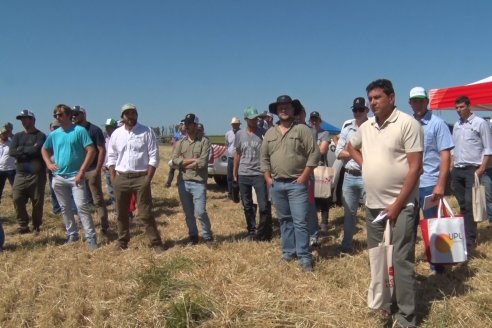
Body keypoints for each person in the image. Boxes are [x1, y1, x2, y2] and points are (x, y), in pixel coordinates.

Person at [347, 79, 423, 327]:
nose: (372, 103)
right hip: (373, 206)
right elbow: (350, 145)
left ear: (392, 98)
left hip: (402, 206)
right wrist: (366, 164)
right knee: (379, 258)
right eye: (370, 99)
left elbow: (415, 168)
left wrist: (398, 205)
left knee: (401, 260)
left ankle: (406, 317)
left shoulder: (407, 124)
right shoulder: (367, 126)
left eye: (377, 98)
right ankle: (385, 304)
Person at [261, 95, 320, 272]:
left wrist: (304, 177)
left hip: (297, 184)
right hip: (277, 184)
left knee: (300, 221)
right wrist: (268, 178)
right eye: (281, 107)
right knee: (284, 221)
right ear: (277, 111)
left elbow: (314, 154)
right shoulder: (270, 133)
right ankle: (288, 252)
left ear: (293, 109)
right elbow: (263, 158)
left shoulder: (302, 129)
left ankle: (304, 257)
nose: (284, 109)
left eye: (287, 107)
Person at [409, 86, 454, 274]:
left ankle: (437, 265)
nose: (418, 104)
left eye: (421, 100)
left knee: (433, 225)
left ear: (427, 101)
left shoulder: (437, 124)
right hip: (411, 184)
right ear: (410, 103)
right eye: (415, 101)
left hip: (430, 184)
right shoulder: (408, 124)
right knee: (408, 226)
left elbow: (445, 155)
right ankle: (407, 263)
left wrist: (441, 184)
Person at [107, 103, 165, 251]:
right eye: (127, 114)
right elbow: (111, 156)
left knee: (145, 213)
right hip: (121, 177)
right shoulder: (116, 134)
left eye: (133, 113)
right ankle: (123, 241)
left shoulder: (146, 132)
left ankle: (156, 242)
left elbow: (154, 156)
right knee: (121, 213)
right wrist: (114, 178)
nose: (130, 116)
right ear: (123, 117)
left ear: (137, 114)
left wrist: (148, 179)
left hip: (141, 178)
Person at [41, 104, 98, 250]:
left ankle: (91, 237)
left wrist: (81, 171)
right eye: (55, 116)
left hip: (76, 177)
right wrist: (48, 163)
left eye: (60, 115)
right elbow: (44, 149)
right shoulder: (54, 134)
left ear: (68, 115)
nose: (57, 118)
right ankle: (72, 234)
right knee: (65, 208)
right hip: (59, 177)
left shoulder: (79, 131)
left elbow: (91, 150)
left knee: (81, 206)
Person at [451, 95, 492, 253]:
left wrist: (481, 169)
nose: (459, 110)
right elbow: (454, 147)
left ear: (469, 106)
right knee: (462, 204)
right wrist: (451, 166)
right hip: (458, 169)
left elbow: (488, 148)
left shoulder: (480, 123)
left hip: (472, 169)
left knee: (470, 203)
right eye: (457, 108)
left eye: (461, 107)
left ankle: (470, 239)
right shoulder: (456, 125)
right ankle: (463, 234)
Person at [172, 113, 215, 246]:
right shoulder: (181, 143)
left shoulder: (204, 142)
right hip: (183, 182)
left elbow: (202, 162)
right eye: (186, 123)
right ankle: (193, 236)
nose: (187, 126)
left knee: (201, 212)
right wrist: (191, 161)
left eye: (190, 124)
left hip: (198, 182)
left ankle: (208, 236)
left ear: (196, 125)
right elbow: (174, 160)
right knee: (189, 213)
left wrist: (183, 164)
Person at [335, 98, 369, 254]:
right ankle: (346, 245)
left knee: (372, 212)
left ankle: (374, 246)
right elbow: (338, 153)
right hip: (349, 176)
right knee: (349, 213)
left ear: (366, 111)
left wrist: (349, 152)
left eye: (360, 110)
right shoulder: (347, 127)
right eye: (355, 110)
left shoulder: (372, 127)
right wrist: (356, 152)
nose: (357, 113)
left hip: (367, 175)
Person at [233, 107, 272, 241]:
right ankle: (251, 231)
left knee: (263, 205)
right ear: (246, 120)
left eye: (256, 118)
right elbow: (238, 154)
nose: (255, 121)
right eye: (252, 119)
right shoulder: (239, 134)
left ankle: (264, 232)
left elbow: (268, 152)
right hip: (243, 173)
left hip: (259, 174)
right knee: (247, 205)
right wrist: (235, 173)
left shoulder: (263, 133)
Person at [72, 106, 110, 234]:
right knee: (80, 200)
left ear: (84, 114)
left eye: (77, 114)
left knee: (97, 199)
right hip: (77, 171)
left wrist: (98, 169)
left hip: (92, 169)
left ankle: (104, 224)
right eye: (73, 114)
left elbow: (101, 150)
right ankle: (82, 224)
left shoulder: (94, 130)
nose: (74, 116)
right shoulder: (73, 130)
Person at [9, 110, 47, 235]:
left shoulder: (40, 135)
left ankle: (36, 225)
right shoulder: (17, 136)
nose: (23, 121)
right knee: (17, 198)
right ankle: (23, 224)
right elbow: (12, 152)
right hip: (20, 173)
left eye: (26, 118)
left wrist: (21, 150)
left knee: (37, 201)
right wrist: (27, 150)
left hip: (36, 174)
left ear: (32, 120)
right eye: (22, 119)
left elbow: (36, 151)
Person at [309, 111, 332, 235]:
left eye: (316, 120)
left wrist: (311, 149)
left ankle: (324, 222)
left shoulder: (325, 133)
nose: (314, 122)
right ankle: (314, 223)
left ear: (319, 121)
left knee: (323, 196)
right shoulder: (308, 133)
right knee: (312, 198)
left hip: (321, 167)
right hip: (309, 168)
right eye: (312, 120)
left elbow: (322, 150)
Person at [102, 118, 118, 212]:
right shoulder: (105, 139)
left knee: (119, 190)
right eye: (106, 127)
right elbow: (104, 153)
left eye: (110, 127)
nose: (108, 129)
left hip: (118, 169)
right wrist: (103, 165)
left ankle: (126, 210)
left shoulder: (119, 138)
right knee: (111, 190)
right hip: (107, 168)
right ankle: (116, 208)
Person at [165, 123, 186, 188]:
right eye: (182, 126)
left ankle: (178, 183)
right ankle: (168, 183)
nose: (183, 127)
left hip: (183, 154)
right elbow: (173, 142)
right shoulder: (176, 134)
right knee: (172, 169)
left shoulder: (187, 135)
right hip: (175, 153)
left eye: (184, 126)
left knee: (181, 170)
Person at [225, 117, 241, 199]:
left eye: (236, 124)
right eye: (233, 124)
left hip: (240, 159)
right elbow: (227, 144)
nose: (234, 125)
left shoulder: (242, 133)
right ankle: (230, 193)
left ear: (239, 124)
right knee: (230, 176)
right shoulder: (228, 133)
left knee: (239, 176)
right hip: (231, 158)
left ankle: (239, 193)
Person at [0, 128, 16, 205]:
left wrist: (11, 134)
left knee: (16, 191)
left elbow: (17, 141)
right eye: (3, 133)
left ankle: (19, 213)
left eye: (6, 133)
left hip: (11, 170)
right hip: (0, 170)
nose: (5, 135)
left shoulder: (11, 144)